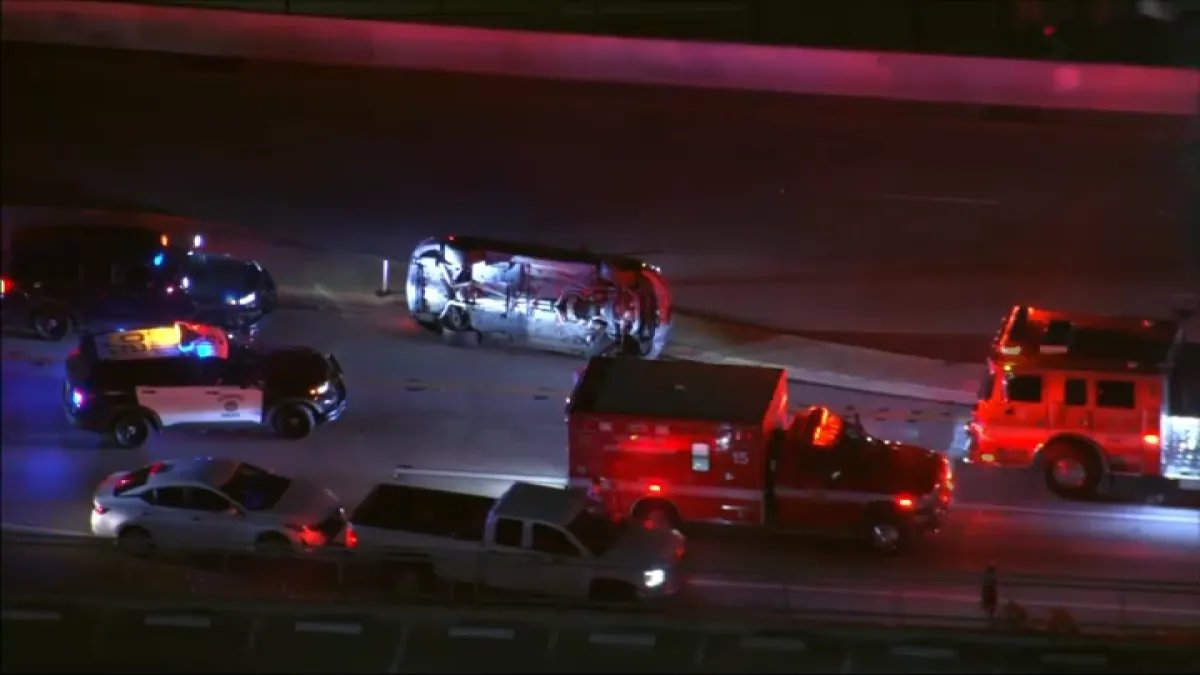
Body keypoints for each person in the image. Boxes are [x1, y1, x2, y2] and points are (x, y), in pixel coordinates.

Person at [981, 562, 999, 627]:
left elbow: (983, 586)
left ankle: (989, 622)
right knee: (991, 608)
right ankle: (991, 622)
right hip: (991, 592)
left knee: (988, 608)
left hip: (987, 592)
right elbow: (995, 582)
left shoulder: (985, 576)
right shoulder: (992, 576)